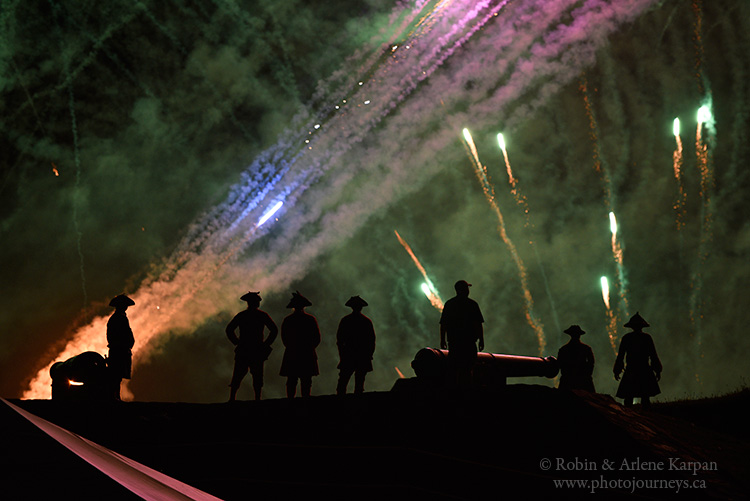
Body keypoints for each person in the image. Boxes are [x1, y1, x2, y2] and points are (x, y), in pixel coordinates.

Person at [226, 291, 278, 401]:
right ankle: (257, 398)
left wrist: (237, 342)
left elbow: (229, 330)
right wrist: (266, 344)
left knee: (238, 374)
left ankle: (232, 398)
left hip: (244, 349)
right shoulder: (262, 315)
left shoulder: (242, 315)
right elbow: (274, 330)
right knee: (257, 375)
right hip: (257, 349)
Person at [439, 280, 485, 388]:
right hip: (469, 343)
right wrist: (481, 340)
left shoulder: (449, 304)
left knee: (454, 370)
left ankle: (455, 393)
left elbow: (443, 324)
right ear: (464, 290)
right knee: (468, 369)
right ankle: (466, 393)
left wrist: (442, 340)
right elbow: (478, 324)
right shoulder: (472, 304)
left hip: (454, 343)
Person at [613, 312, 662, 408]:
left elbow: (621, 357)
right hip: (644, 369)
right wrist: (657, 370)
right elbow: (653, 355)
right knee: (645, 396)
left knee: (629, 396)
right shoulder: (647, 338)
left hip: (631, 369)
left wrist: (617, 370)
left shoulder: (626, 338)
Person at [280, 291, 321, 398]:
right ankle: (305, 398)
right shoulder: (310, 319)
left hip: (292, 352)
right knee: (306, 379)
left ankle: (291, 399)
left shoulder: (288, 320)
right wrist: (310, 348)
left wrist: (291, 347)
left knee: (292, 379)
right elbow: (317, 338)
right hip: (306, 352)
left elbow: (284, 338)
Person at [336, 296, 376, 395]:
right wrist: (369, 354)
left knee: (343, 383)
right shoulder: (366, 321)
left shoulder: (345, 320)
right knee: (359, 383)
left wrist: (342, 354)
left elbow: (340, 340)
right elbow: (371, 341)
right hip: (362, 355)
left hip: (348, 355)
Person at [106, 294, 136, 400]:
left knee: (117, 375)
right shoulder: (118, 318)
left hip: (119, 349)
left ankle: (115, 396)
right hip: (118, 350)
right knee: (116, 375)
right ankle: (114, 397)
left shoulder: (118, 318)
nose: (126, 307)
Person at [556, 325, 595, 392]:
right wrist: (587, 374)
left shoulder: (563, 349)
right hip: (583, 380)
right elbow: (591, 362)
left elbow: (559, 364)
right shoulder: (586, 348)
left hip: (567, 380)